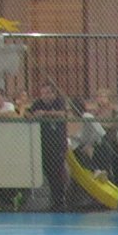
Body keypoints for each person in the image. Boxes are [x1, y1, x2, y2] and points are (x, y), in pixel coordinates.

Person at [26, 81, 71, 212]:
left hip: (57, 143)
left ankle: (60, 201)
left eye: (48, 93)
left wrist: (45, 114)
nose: (45, 95)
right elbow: (27, 113)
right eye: (43, 93)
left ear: (53, 93)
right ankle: (53, 200)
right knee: (49, 172)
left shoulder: (59, 102)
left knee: (58, 172)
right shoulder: (38, 103)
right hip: (43, 143)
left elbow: (63, 114)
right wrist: (33, 115)